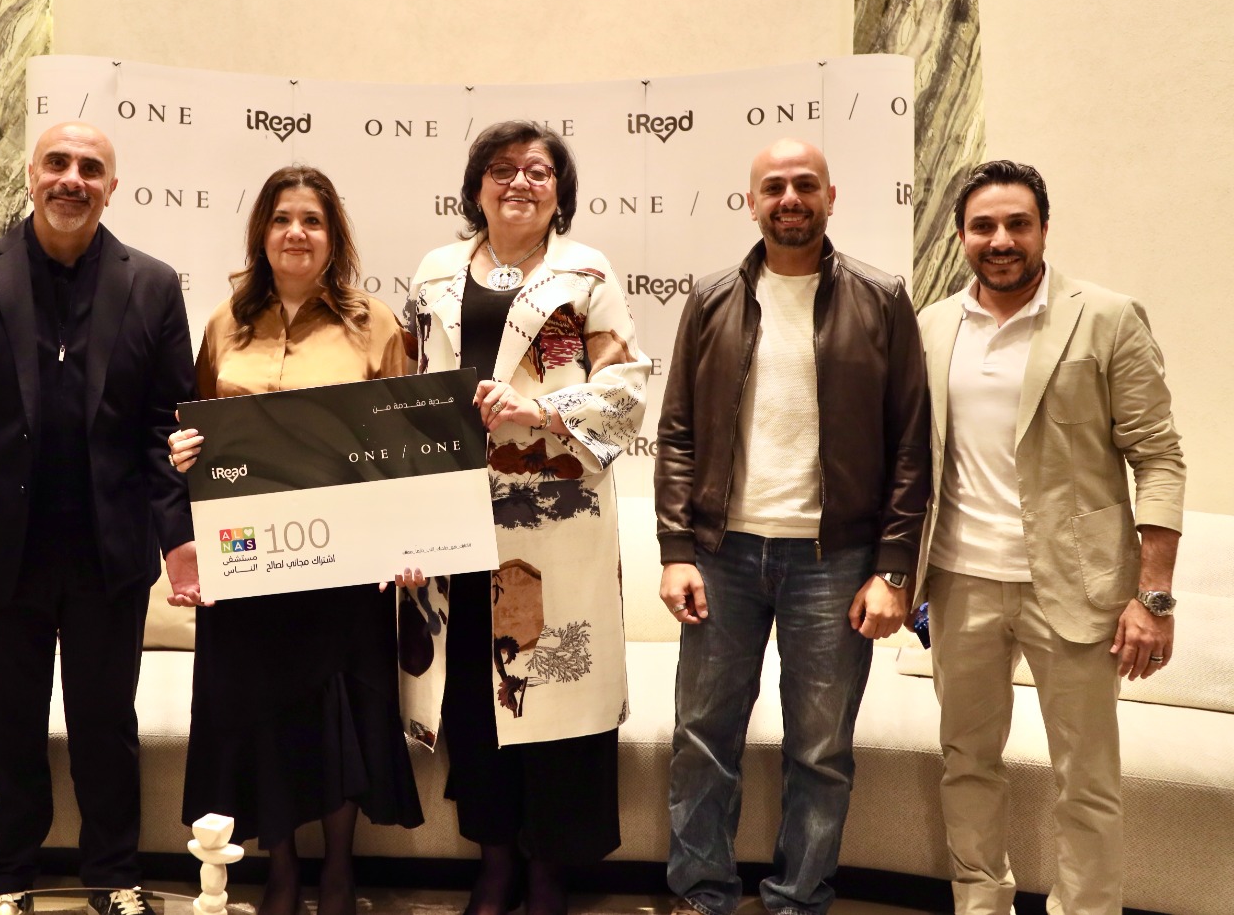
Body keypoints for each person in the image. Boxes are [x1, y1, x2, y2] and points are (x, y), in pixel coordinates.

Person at [0, 121, 198, 915]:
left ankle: (113, 877)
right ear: (31, 175)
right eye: (58, 163)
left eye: (90, 168)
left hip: (109, 555)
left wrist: (179, 541)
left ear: (113, 187)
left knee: (107, 727)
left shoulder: (153, 284)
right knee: (6, 732)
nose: (73, 178)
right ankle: (6, 884)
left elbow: (166, 429)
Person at [655, 138, 929, 915]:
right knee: (702, 739)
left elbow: (912, 447)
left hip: (834, 560)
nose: (790, 199)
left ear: (831, 197)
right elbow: (676, 434)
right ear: (752, 202)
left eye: (805, 184)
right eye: (773, 186)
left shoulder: (881, 298)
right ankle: (701, 897)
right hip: (722, 556)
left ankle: (798, 902)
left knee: (821, 750)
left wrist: (894, 570)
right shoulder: (711, 299)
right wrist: (675, 550)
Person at [916, 160, 1185, 915]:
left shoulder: (1107, 317)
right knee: (967, 763)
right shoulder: (932, 327)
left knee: (1085, 779)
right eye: (983, 226)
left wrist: (1153, 596)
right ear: (961, 236)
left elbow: (1159, 457)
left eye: (1017, 224)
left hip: (1079, 587)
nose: (1001, 240)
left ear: (1043, 229)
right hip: (961, 581)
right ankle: (981, 903)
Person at [398, 120, 650, 915]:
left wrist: (540, 409)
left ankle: (548, 874)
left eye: (538, 171)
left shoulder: (587, 271)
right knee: (476, 695)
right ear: (476, 187)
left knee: (552, 686)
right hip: (456, 519)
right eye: (502, 169)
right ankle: (496, 863)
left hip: (555, 523)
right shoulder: (435, 272)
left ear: (559, 192)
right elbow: (406, 390)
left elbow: (627, 394)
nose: (520, 183)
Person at [168, 164, 424, 915]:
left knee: (338, 711)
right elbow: (199, 431)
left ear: (333, 236)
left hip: (344, 563)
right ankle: (280, 868)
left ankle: (338, 869)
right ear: (262, 233)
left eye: (312, 220)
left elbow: (404, 448)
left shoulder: (376, 324)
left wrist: (406, 542)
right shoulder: (224, 323)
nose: (296, 233)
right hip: (249, 561)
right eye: (282, 219)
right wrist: (183, 452)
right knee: (261, 711)